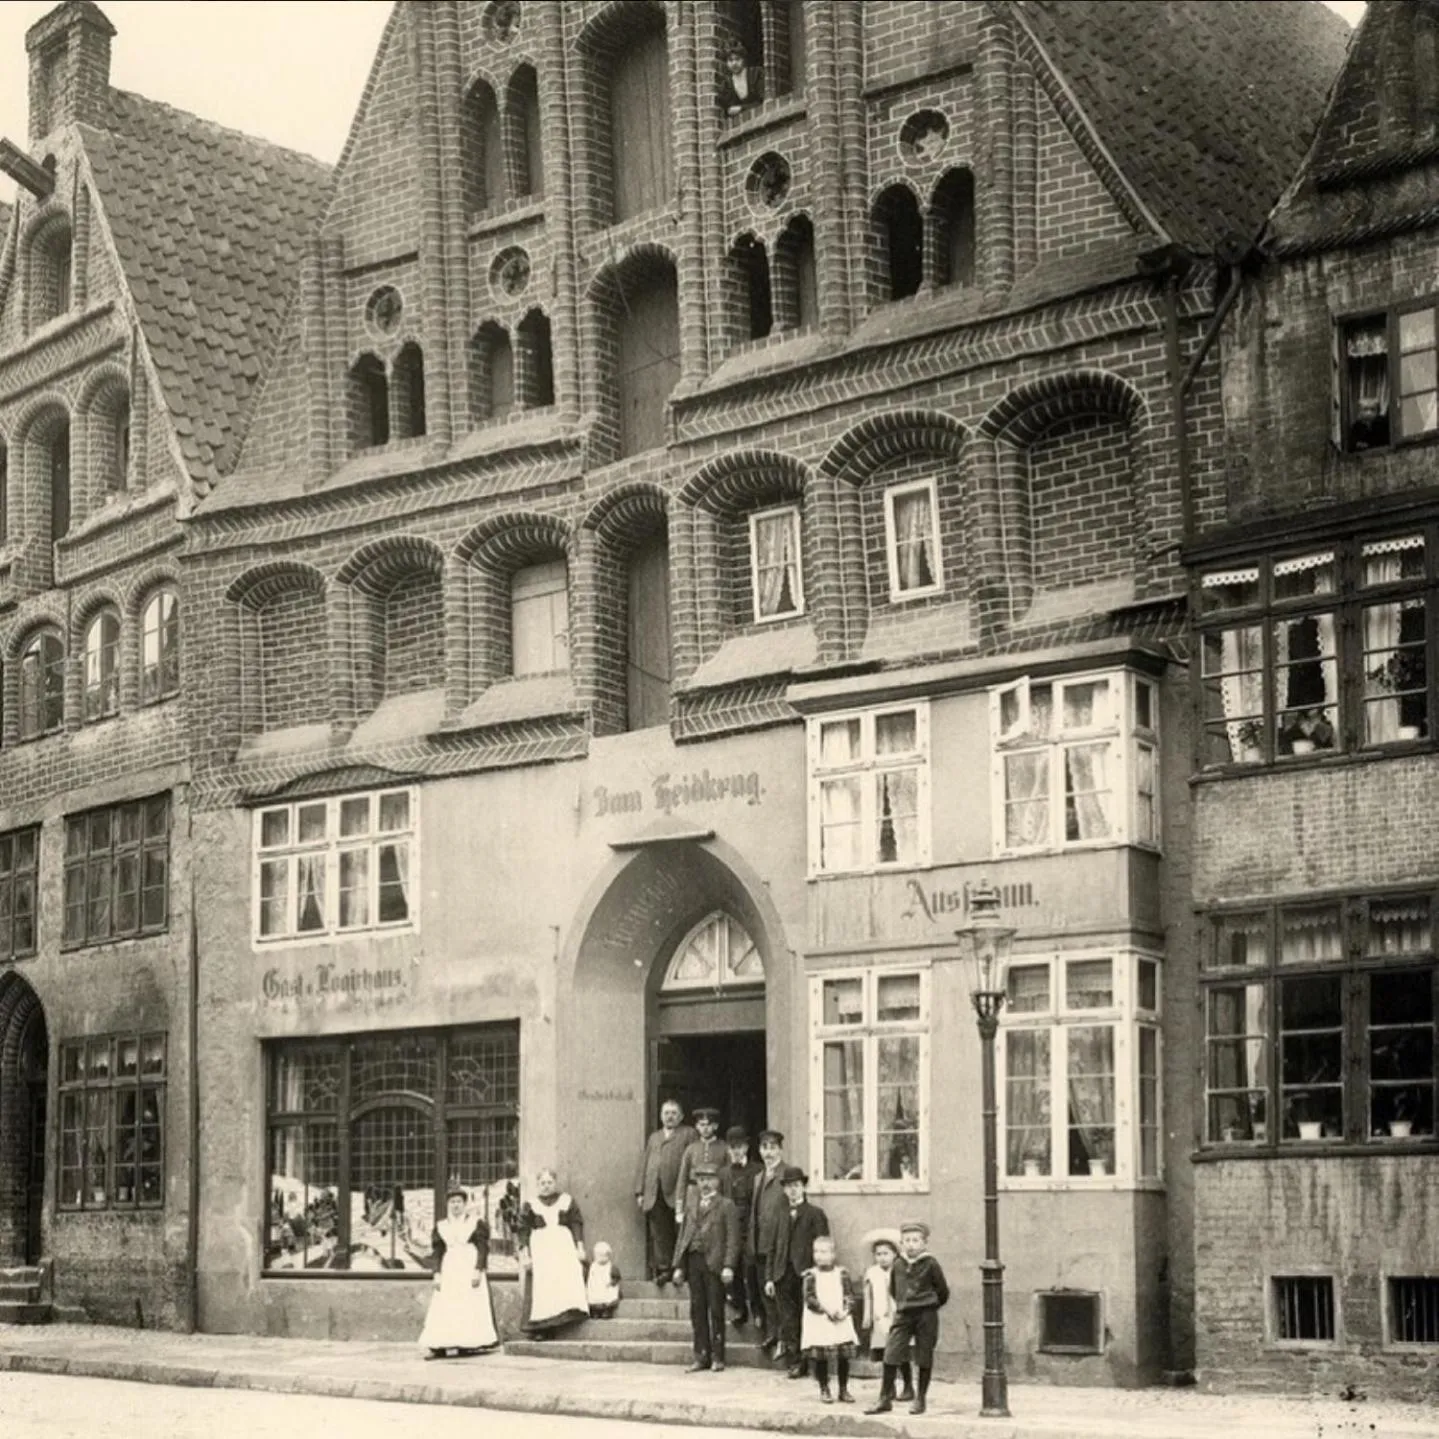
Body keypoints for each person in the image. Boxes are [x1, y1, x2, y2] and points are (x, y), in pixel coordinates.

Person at [865, 1220, 949, 1417]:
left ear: (924, 1243)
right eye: (907, 1240)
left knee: (923, 1355)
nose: (911, 1244)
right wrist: (904, 1304)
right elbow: (894, 1289)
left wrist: (929, 1305)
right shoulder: (899, 1264)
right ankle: (885, 1398)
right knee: (891, 1352)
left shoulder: (931, 1263)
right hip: (904, 1314)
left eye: (916, 1240)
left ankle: (920, 1398)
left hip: (926, 1314)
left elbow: (943, 1291)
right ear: (902, 1243)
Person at [672, 1162, 740, 1373]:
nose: (705, 1184)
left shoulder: (726, 1205)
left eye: (709, 1179)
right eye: (701, 1180)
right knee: (697, 1309)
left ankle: (718, 1357)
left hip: (715, 1264)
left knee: (716, 1309)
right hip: (694, 1262)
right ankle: (701, 1355)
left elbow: (733, 1239)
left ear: (718, 1182)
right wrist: (679, 1266)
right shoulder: (691, 1205)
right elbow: (683, 1237)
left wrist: (728, 1265)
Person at [418, 1185, 499, 1358]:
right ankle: (440, 1344)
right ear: (448, 1204)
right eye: (452, 1202)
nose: (456, 1206)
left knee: (469, 1303)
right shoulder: (442, 1226)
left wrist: (478, 1269)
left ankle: (467, 1343)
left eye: (459, 1202)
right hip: (450, 1268)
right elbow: (438, 1252)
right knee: (446, 1304)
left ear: (465, 1204)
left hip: (468, 1265)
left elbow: (483, 1248)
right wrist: (437, 1273)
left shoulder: (475, 1223)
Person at [764, 1164, 829, 1378]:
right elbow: (773, 1247)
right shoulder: (779, 1215)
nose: (793, 1190)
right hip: (783, 1273)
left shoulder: (815, 1214)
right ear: (784, 1190)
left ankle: (809, 1361)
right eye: (789, 1186)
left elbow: (823, 1246)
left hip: (805, 1273)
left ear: (803, 1187)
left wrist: (817, 1273)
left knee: (806, 1316)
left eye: (796, 1185)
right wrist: (770, 1277)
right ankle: (794, 1362)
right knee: (788, 1319)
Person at [516, 1168, 589, 1337]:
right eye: (543, 1183)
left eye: (549, 1183)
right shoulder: (530, 1204)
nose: (546, 1186)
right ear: (537, 1185)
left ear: (555, 1183)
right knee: (543, 1284)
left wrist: (579, 1247)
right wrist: (525, 1254)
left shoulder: (567, 1201)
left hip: (562, 1246)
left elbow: (576, 1223)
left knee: (562, 1280)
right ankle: (542, 1326)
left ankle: (563, 1319)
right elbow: (523, 1230)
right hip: (541, 1248)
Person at [635, 1098, 698, 1286]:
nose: (669, 1117)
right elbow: (644, 1163)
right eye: (666, 1113)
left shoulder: (688, 1134)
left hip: (678, 1191)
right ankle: (664, 1269)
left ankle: (680, 1268)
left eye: (673, 1113)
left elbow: (693, 1161)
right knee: (659, 1231)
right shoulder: (654, 1137)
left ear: (681, 1116)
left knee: (681, 1230)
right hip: (654, 1191)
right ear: (661, 1116)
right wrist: (640, 1191)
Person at [802, 1234, 858, 1404]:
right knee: (821, 1356)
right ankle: (824, 1388)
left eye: (824, 1252)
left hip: (840, 1318)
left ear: (833, 1255)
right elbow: (809, 1299)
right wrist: (826, 1310)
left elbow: (849, 1295)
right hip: (820, 1319)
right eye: (816, 1251)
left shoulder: (842, 1274)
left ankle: (843, 1389)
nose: (819, 1255)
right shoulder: (810, 1276)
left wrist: (845, 1311)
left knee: (843, 1355)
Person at [860, 1228, 913, 1402]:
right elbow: (868, 1294)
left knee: (901, 1353)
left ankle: (907, 1386)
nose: (882, 1257)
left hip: (897, 1317)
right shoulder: (872, 1272)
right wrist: (867, 1314)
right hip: (880, 1318)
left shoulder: (900, 1270)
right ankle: (889, 1388)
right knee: (886, 1354)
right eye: (878, 1254)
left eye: (886, 1253)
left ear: (895, 1254)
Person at [749, 1128, 789, 1357]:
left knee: (780, 1295)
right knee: (766, 1294)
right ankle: (772, 1334)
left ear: (780, 1150)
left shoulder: (787, 1175)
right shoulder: (758, 1178)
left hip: (779, 1245)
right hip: (761, 1244)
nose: (768, 1152)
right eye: (764, 1147)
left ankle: (784, 1339)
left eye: (773, 1147)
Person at [722, 1125, 763, 1326]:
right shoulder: (723, 1173)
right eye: (732, 1148)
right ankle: (740, 1308)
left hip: (751, 1226)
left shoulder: (757, 1170)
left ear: (746, 1147)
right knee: (734, 1267)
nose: (736, 1152)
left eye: (739, 1147)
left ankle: (757, 1310)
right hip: (732, 1228)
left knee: (751, 1268)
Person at [674, 1107, 727, 1225]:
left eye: (709, 1125)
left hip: (716, 1195)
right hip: (693, 1195)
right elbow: (682, 1179)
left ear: (715, 1126)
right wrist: (679, 1208)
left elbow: (728, 1178)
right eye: (702, 1125)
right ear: (697, 1127)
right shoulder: (691, 1149)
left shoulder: (724, 1148)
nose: (705, 1129)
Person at [717, 39, 762, 116]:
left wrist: (741, 108)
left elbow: (762, 102)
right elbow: (728, 111)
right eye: (730, 60)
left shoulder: (755, 74)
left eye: (737, 59)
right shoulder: (727, 84)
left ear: (743, 60)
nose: (734, 63)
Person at [585, 1239, 621, 1318]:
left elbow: (617, 1277)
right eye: (599, 1256)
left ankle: (606, 1312)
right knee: (594, 1299)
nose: (601, 1258)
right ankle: (595, 1312)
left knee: (608, 1298)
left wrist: (612, 1282)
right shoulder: (593, 1266)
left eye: (604, 1256)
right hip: (596, 1287)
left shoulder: (611, 1267)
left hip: (606, 1287)